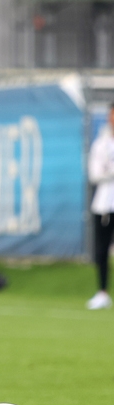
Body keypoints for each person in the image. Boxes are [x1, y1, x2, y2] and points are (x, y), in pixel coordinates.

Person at [87, 102, 114, 310]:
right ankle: (102, 292)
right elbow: (95, 174)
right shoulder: (100, 144)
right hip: (104, 206)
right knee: (101, 250)